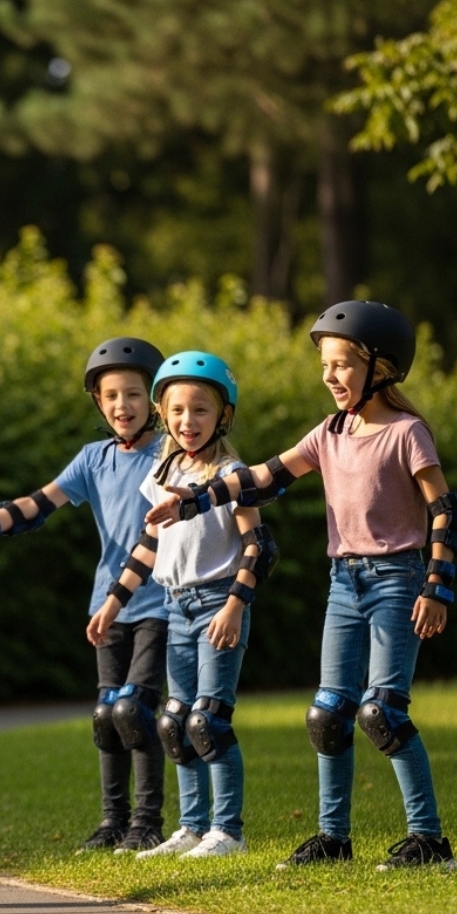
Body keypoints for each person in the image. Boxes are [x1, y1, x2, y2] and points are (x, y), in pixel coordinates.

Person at [145, 302, 457, 870]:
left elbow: (446, 510)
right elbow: (262, 477)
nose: (331, 377)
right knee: (327, 713)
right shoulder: (330, 433)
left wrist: (437, 585)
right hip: (343, 582)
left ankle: (430, 841)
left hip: (397, 579)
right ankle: (332, 839)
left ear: (382, 367)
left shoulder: (405, 432)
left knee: (382, 712)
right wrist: (190, 500)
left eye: (342, 364)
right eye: (326, 365)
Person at [0, 338, 170, 853]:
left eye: (133, 395)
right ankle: (113, 823)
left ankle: (146, 823)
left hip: (160, 602)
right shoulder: (95, 458)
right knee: (108, 713)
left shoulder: (171, 454)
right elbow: (41, 503)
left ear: (153, 401)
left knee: (135, 710)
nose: (121, 406)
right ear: (98, 403)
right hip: (105, 604)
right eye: (110, 396)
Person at [88, 352, 277, 859]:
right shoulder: (164, 469)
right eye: (175, 411)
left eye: (199, 411)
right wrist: (113, 602)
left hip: (218, 603)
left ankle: (227, 831)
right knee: (174, 719)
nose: (186, 422)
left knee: (208, 720)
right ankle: (191, 828)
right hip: (175, 607)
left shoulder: (231, 473)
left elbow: (261, 548)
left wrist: (236, 605)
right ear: (162, 413)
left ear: (223, 416)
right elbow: (148, 547)